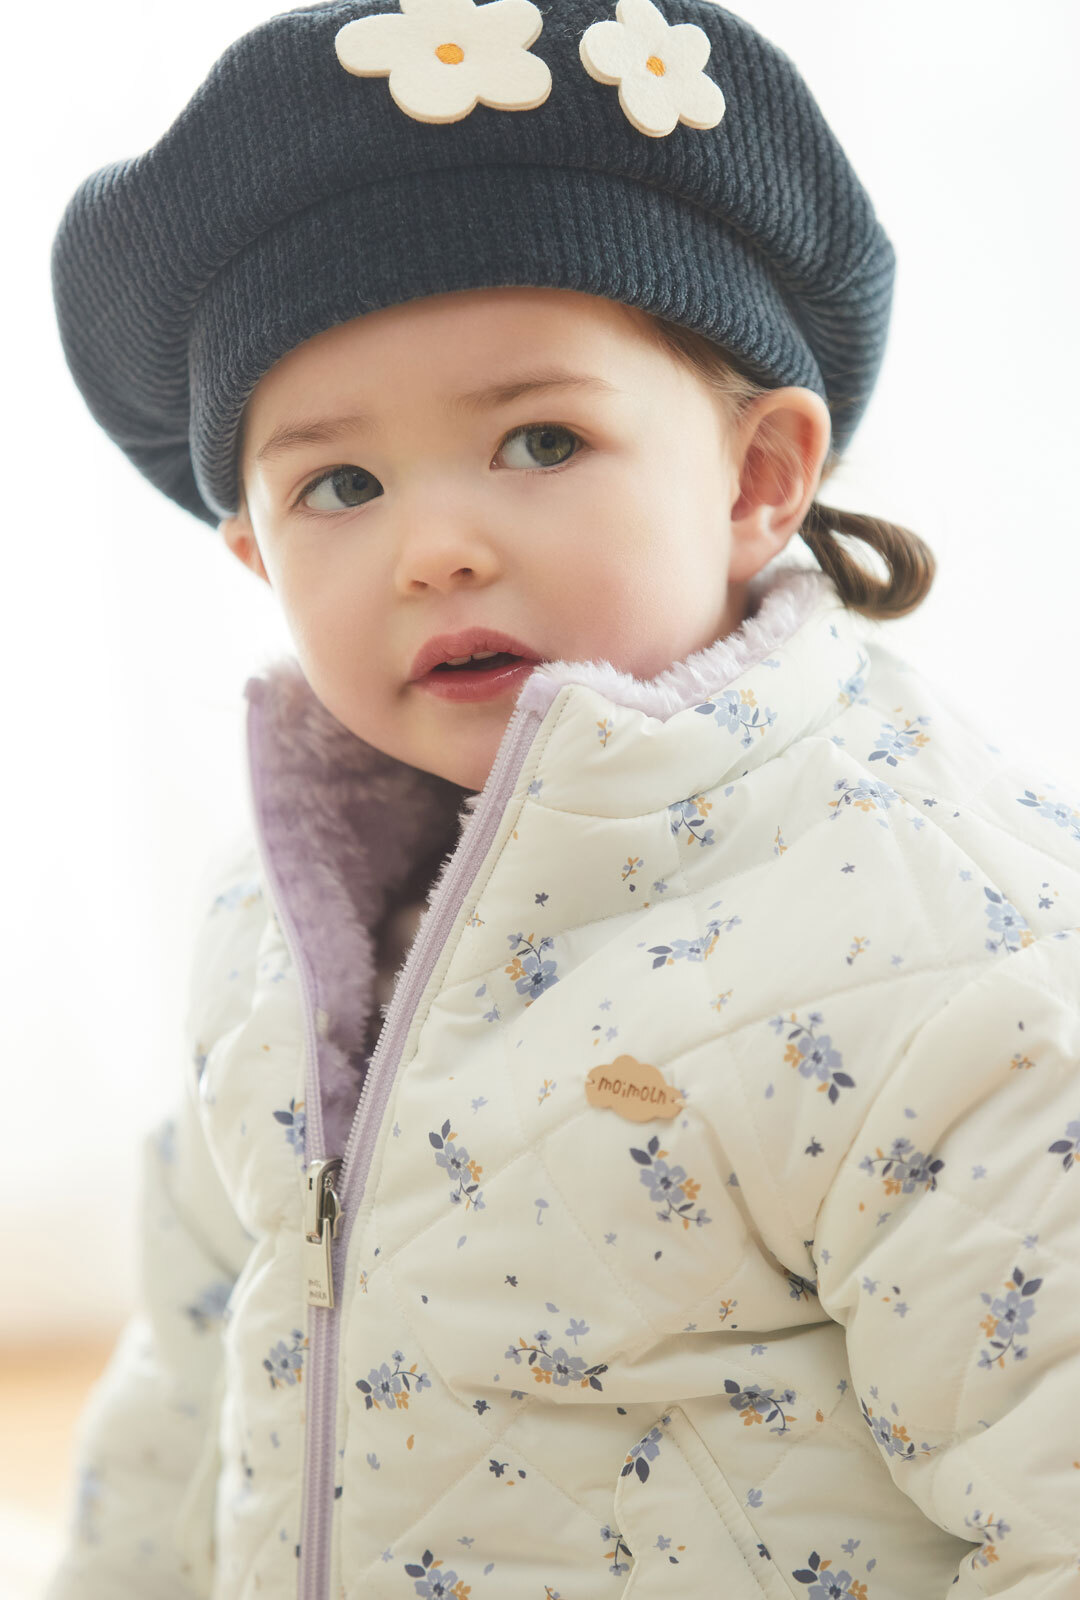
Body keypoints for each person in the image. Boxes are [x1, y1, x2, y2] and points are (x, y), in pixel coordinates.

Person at [46, 1, 1080, 1596]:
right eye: (340, 485)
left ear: (758, 476)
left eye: (541, 440)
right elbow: (192, 1395)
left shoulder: (944, 955)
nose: (436, 547)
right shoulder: (280, 927)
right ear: (254, 553)